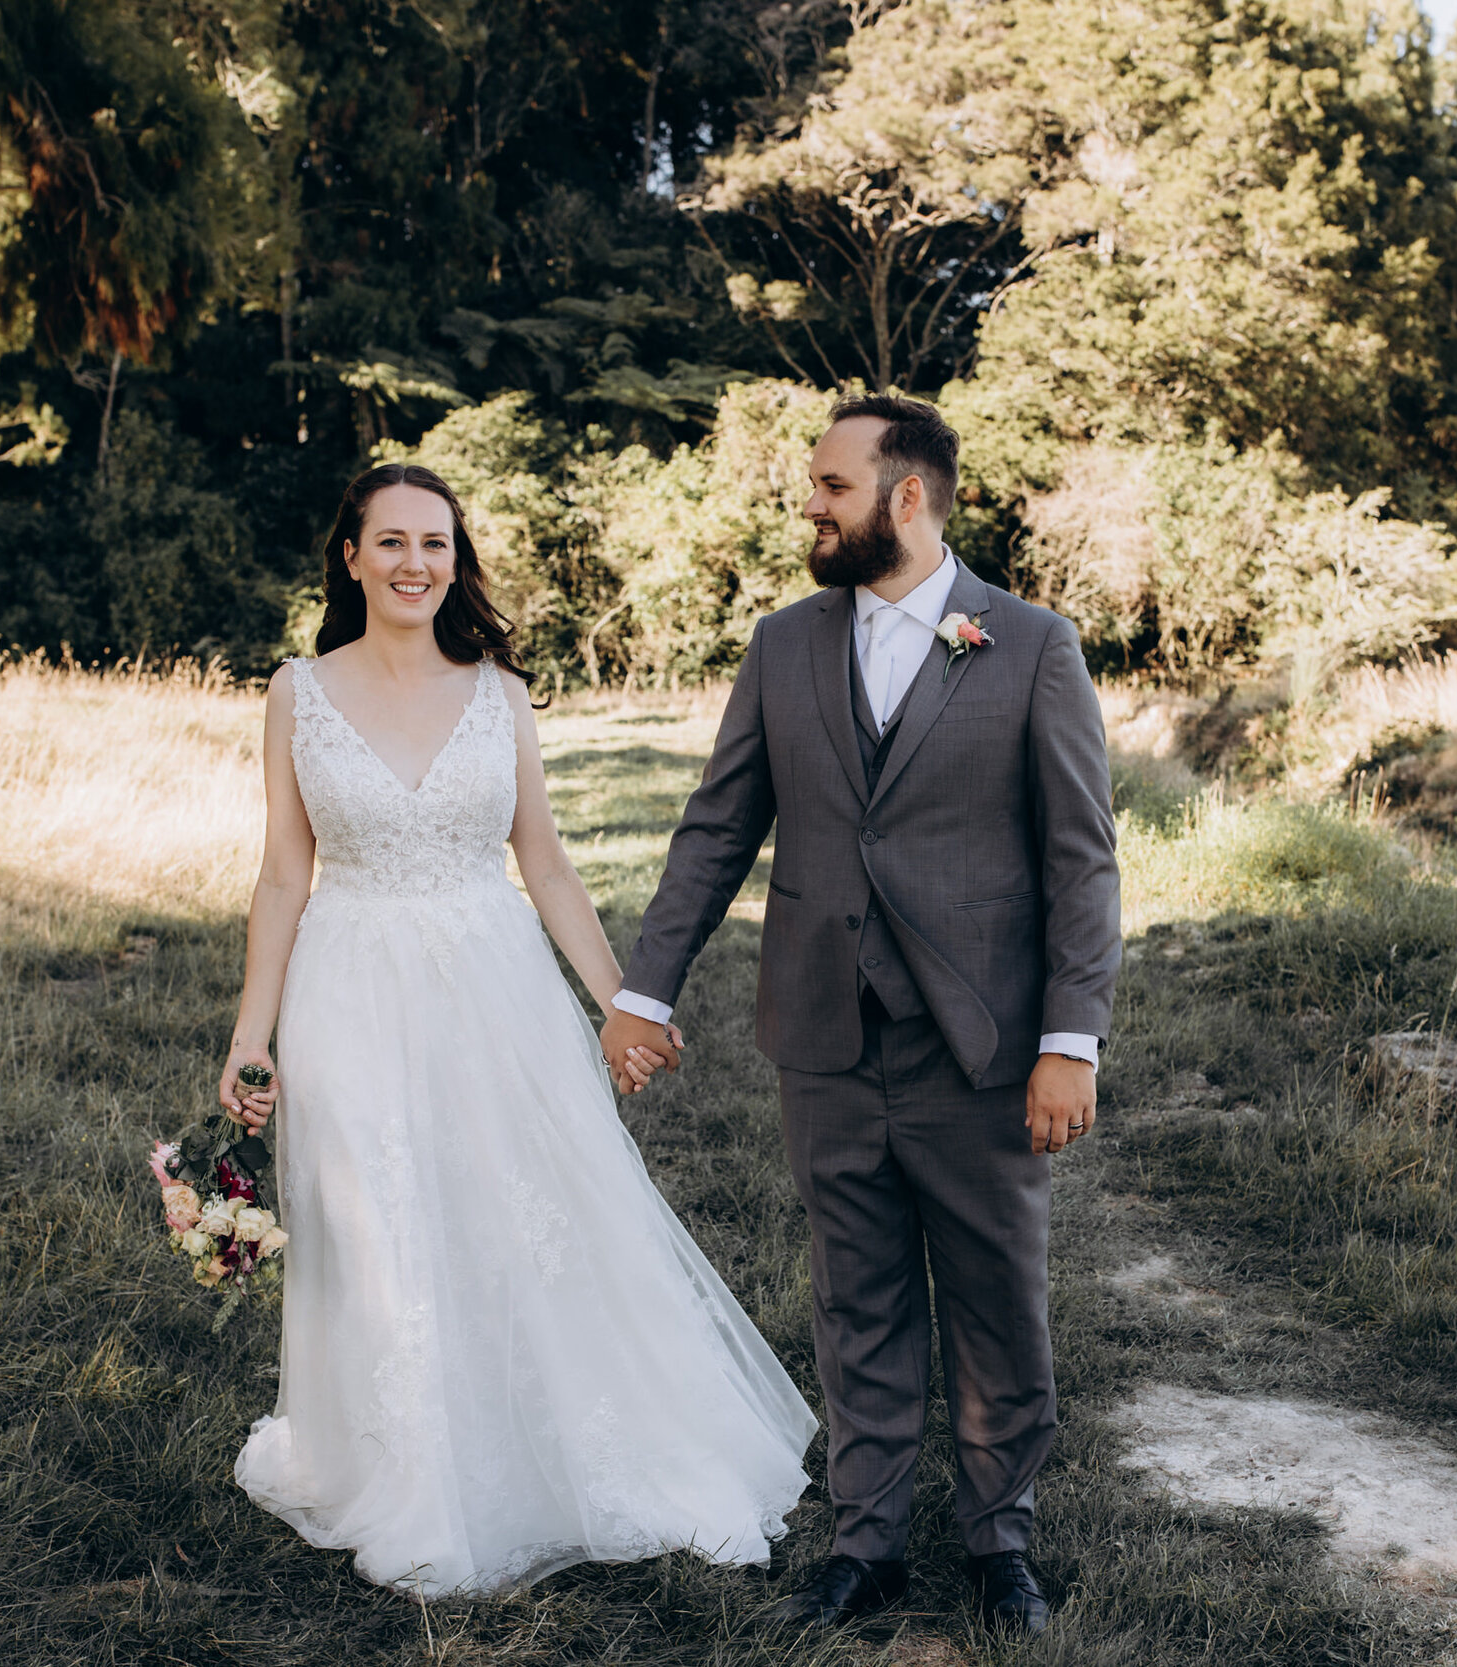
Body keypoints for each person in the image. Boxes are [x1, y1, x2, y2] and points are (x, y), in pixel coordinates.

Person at [219, 463, 815, 1599]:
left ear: (457, 558)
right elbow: (284, 874)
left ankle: (564, 1442)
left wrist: (619, 1000)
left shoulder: (496, 690)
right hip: (348, 981)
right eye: (389, 542)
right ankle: (405, 1470)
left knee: (525, 1207)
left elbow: (541, 859)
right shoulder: (298, 692)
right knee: (380, 1216)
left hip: (494, 982)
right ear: (348, 556)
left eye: (435, 543)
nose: (413, 564)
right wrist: (256, 1034)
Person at [598, 394, 1121, 1635]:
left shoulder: (1031, 644)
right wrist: (642, 986)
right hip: (823, 1034)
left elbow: (1080, 862)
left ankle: (999, 1542)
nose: (810, 504)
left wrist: (1068, 1038)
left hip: (980, 1042)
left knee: (995, 1295)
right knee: (856, 1293)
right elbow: (719, 826)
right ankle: (868, 1540)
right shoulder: (783, 644)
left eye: (831, 485)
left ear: (906, 497)